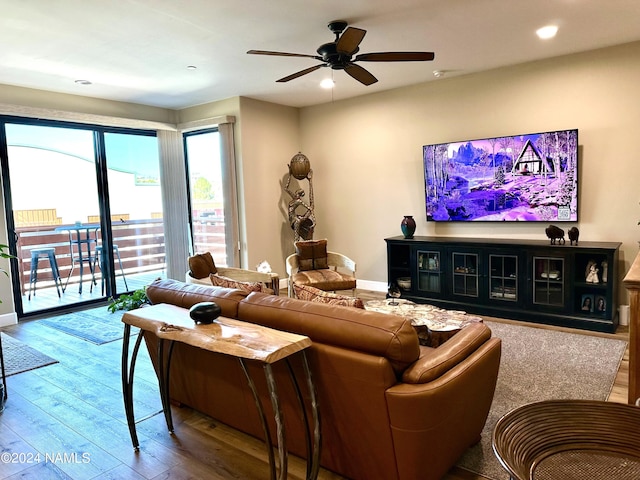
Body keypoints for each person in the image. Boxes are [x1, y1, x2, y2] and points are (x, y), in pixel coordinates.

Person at [284, 169, 315, 242]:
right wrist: (290, 174)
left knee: (296, 239)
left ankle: (297, 251)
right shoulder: (294, 198)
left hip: (296, 220)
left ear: (299, 193)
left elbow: (310, 208)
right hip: (293, 219)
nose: (297, 190)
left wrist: (314, 219)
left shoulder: (298, 201)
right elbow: (286, 188)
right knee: (296, 239)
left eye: (299, 191)